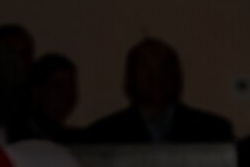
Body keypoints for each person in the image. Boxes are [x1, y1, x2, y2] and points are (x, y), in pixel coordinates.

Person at [82, 38, 233, 144]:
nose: (156, 75)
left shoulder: (212, 131)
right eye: (145, 67)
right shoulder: (104, 135)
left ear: (178, 75)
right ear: (130, 78)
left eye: (164, 67)